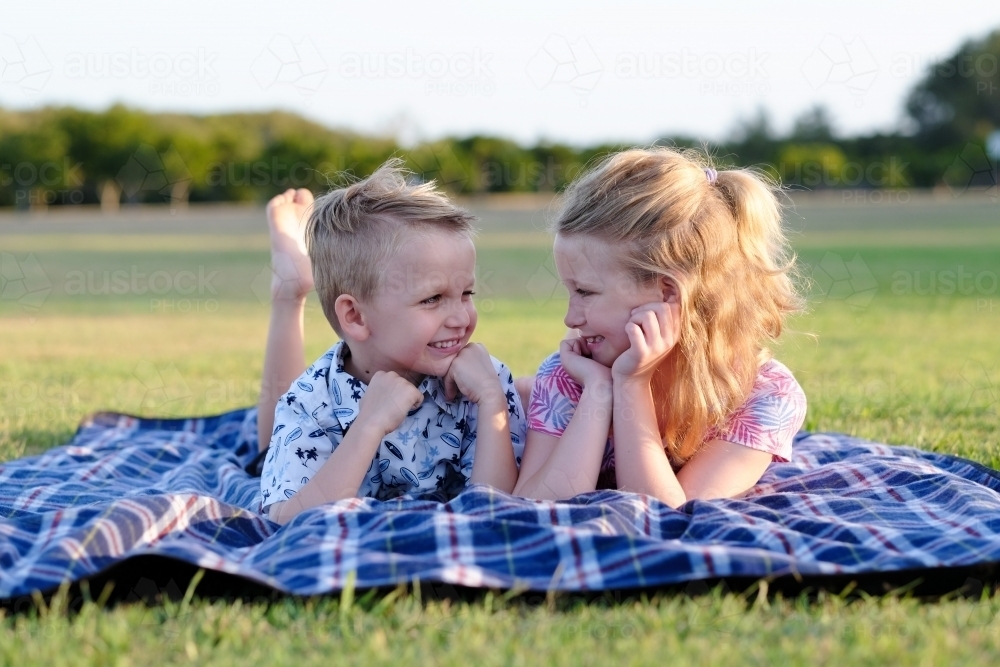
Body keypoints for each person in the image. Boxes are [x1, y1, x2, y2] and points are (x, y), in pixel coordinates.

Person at [513, 147, 807, 507]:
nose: (570, 319)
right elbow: (533, 508)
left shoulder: (763, 395)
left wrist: (632, 384)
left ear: (667, 293)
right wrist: (599, 390)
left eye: (585, 292)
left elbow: (668, 514)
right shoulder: (570, 376)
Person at [257, 159, 525, 524]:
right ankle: (290, 289)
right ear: (355, 316)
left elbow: (497, 512)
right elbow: (286, 521)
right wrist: (368, 425)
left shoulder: (484, 382)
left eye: (467, 293)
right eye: (432, 299)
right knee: (266, 448)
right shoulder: (308, 401)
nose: (462, 318)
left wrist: (492, 400)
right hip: (307, 416)